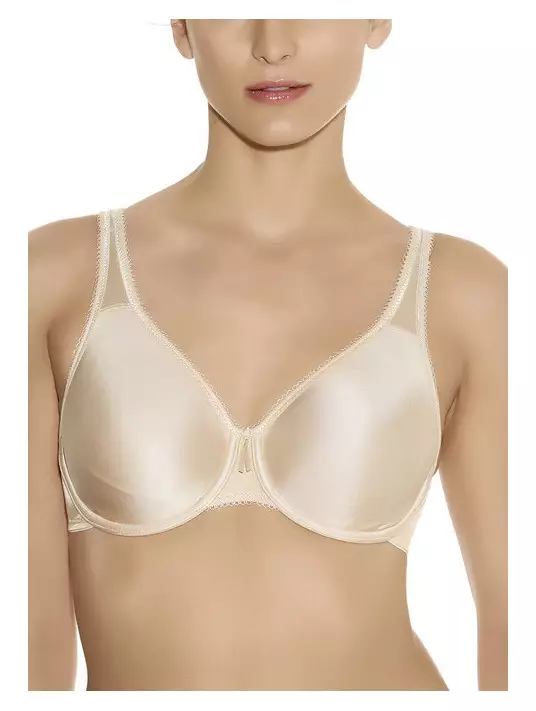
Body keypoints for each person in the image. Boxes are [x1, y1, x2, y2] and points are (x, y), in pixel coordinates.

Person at [28, 19, 507, 691]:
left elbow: (516, 626)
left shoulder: (462, 295)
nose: (273, 43)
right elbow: (28, 654)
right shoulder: (54, 279)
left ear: (376, 17)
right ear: (181, 24)